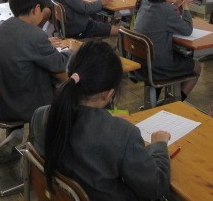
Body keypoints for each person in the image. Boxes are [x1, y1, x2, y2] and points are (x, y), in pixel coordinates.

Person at [31, 40, 171, 200]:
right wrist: (159, 145)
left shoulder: (40, 115)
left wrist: (108, 123)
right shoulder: (124, 135)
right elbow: (155, 188)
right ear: (108, 94)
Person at [0, 0, 68, 124]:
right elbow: (59, 64)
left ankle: (19, 133)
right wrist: (71, 50)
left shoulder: (1, 26)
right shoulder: (35, 35)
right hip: (21, 105)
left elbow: (23, 47)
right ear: (36, 9)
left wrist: (45, 45)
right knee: (67, 85)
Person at [133, 0, 201, 101]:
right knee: (196, 66)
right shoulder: (167, 9)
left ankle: (159, 100)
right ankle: (176, 102)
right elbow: (187, 30)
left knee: (176, 54)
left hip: (141, 63)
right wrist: (186, 7)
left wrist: (176, 4)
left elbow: (160, 16)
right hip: (157, 67)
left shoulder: (145, 3)